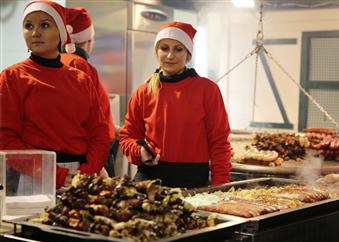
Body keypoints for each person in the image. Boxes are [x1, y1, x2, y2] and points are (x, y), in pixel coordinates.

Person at [0, 0, 110, 189]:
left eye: (44, 25)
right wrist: (53, 173)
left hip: (79, 175)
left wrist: (88, 172)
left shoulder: (81, 79)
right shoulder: (11, 77)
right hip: (30, 174)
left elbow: (99, 133)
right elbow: (4, 137)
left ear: (61, 32)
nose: (35, 32)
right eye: (28, 26)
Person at [119, 21, 232, 188]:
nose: (170, 56)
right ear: (157, 52)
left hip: (193, 183)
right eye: (164, 48)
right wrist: (140, 152)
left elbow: (219, 142)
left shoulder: (207, 90)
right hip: (149, 181)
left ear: (188, 54)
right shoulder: (144, 92)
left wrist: (221, 185)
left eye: (178, 49)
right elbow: (127, 137)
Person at [61, 7, 117, 177]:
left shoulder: (60, 60)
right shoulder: (79, 65)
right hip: (89, 156)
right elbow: (82, 118)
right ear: (89, 39)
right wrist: (97, 165)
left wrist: (115, 129)